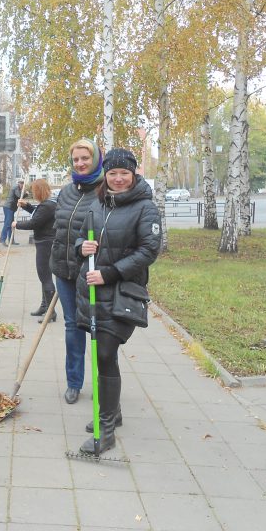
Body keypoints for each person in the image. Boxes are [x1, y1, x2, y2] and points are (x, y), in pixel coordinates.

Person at [75, 148, 160, 454]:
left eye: (125, 173)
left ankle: (106, 427)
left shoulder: (145, 208)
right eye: (113, 173)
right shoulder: (97, 203)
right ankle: (114, 411)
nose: (119, 178)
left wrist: (109, 273)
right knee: (103, 355)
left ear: (134, 174)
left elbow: (148, 250)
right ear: (106, 175)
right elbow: (80, 237)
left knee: (105, 352)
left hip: (123, 292)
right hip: (93, 292)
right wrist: (81, 246)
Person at [50, 139, 105, 405]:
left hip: (93, 273)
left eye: (85, 158)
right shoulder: (66, 192)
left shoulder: (105, 193)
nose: (80, 163)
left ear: (95, 160)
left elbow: (114, 232)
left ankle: (103, 382)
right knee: (72, 327)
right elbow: (58, 228)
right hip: (64, 271)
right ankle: (74, 382)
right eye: (76, 159)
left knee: (97, 328)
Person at [12, 178, 57, 322]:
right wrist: (26, 206)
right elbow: (37, 213)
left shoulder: (47, 206)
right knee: (44, 276)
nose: (33, 193)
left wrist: (17, 224)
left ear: (39, 191)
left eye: (34, 191)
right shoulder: (47, 204)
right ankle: (45, 306)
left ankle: (51, 312)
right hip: (45, 242)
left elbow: (34, 222)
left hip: (46, 243)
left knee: (45, 276)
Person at [0, 178, 24, 246]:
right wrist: (26, 194)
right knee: (7, 224)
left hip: (10, 207)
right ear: (19, 183)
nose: (22, 186)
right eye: (21, 184)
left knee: (11, 224)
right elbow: (19, 196)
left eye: (22, 184)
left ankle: (11, 240)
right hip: (9, 207)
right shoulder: (16, 188)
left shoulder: (17, 188)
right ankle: (2, 239)